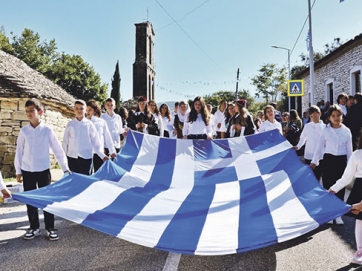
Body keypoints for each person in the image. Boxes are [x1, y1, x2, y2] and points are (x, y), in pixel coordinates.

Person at [14, 98, 70, 241]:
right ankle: (34, 228)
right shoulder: (24, 131)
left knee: (46, 200)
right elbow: (19, 152)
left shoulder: (47, 130)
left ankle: (50, 228)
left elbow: (57, 150)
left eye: (31, 111)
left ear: (40, 112)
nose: (28, 114)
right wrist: (18, 170)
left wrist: (65, 167)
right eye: (26, 111)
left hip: (43, 170)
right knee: (31, 200)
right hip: (27, 171)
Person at [311, 104, 352, 225]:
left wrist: (350, 166)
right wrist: (314, 161)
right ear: (329, 117)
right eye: (333, 116)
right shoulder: (325, 131)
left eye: (338, 115)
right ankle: (329, 214)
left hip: (341, 161)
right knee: (328, 186)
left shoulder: (346, 131)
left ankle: (338, 214)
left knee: (340, 187)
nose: (336, 118)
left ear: (342, 116)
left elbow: (349, 151)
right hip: (328, 160)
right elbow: (319, 148)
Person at [329, 135, 362, 265]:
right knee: (360, 221)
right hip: (360, 188)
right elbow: (347, 177)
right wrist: (334, 188)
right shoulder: (357, 155)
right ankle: (360, 250)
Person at [63, 100, 107, 175]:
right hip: (72, 158)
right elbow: (65, 142)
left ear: (85, 110)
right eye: (77, 108)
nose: (79, 110)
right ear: (74, 110)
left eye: (81, 108)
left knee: (85, 182)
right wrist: (63, 159)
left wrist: (102, 156)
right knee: (73, 182)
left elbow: (95, 142)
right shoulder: (70, 124)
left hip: (86, 158)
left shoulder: (90, 125)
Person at [294, 106, 325, 180]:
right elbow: (303, 139)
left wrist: (317, 125)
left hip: (321, 156)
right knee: (310, 177)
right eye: (311, 116)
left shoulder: (324, 127)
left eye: (315, 115)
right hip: (309, 155)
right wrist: (298, 146)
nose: (313, 118)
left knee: (318, 176)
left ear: (319, 114)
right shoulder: (307, 126)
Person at [86, 100, 116, 172]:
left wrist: (112, 151)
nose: (87, 112)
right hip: (87, 153)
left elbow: (107, 137)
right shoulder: (84, 122)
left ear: (95, 110)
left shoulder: (101, 122)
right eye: (86, 110)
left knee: (99, 174)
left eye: (90, 110)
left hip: (99, 154)